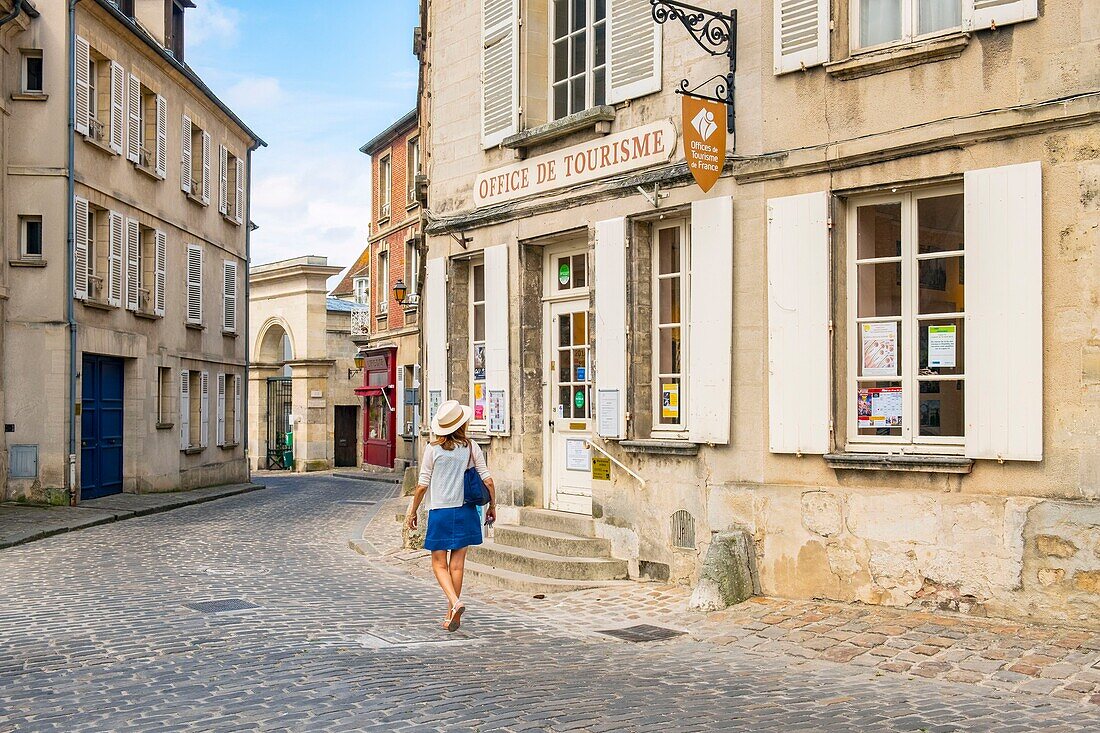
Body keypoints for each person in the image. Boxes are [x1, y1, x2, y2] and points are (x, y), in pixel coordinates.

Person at [405, 400, 496, 631]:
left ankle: (455, 603)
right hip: (466, 511)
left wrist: (412, 511)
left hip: (441, 512)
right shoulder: (471, 447)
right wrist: (493, 506)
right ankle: (451, 614)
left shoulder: (432, 449)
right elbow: (488, 480)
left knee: (438, 564)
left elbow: (422, 485)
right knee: (457, 566)